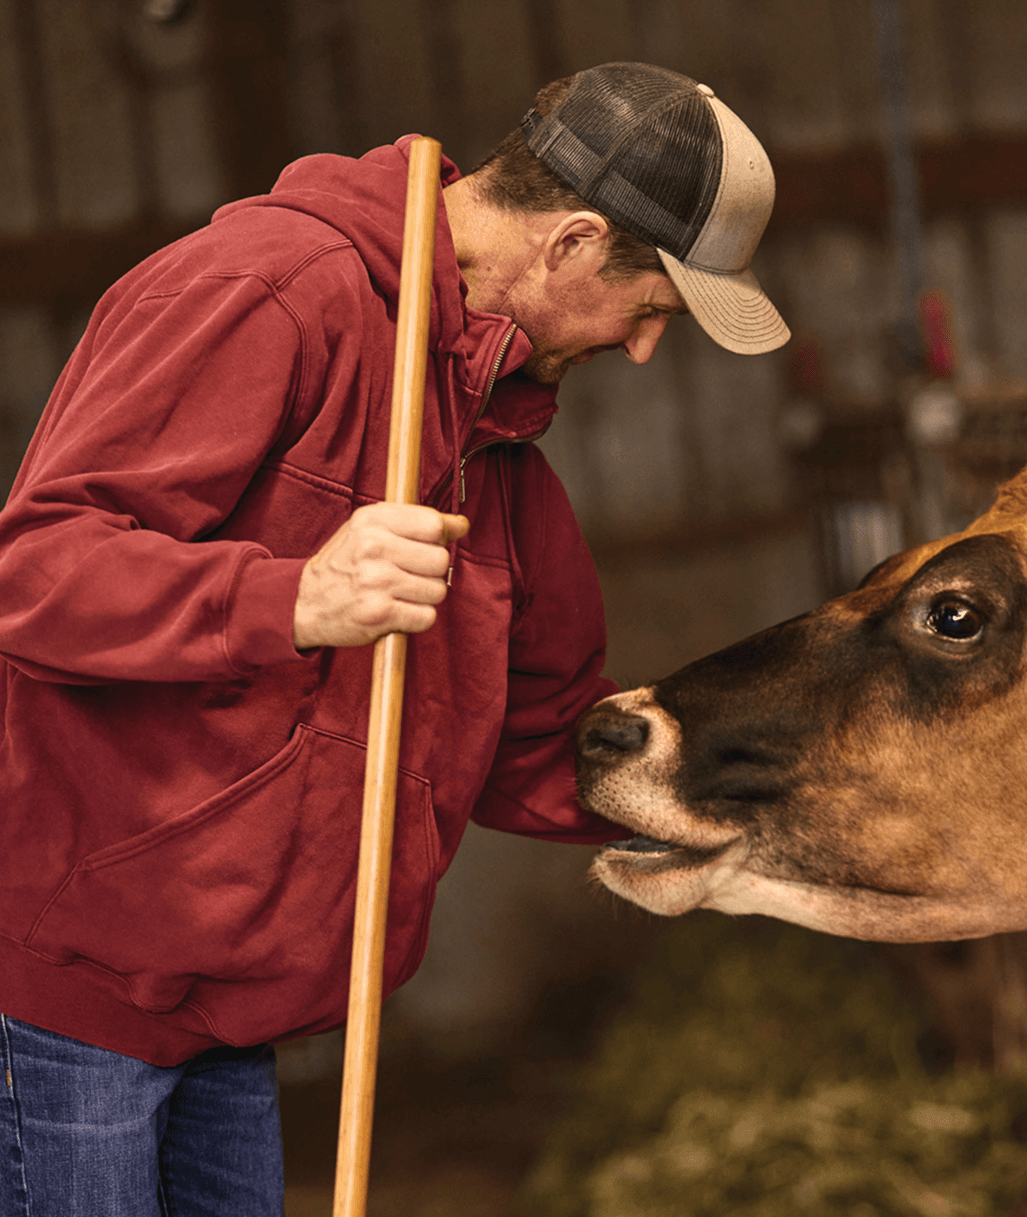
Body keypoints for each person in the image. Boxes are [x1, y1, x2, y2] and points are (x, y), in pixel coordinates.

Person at [0, 62, 789, 1215]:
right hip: (73, 996)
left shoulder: (495, 438)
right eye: (653, 309)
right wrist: (291, 601)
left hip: (234, 1009)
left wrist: (748, 813)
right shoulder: (268, 290)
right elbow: (36, 569)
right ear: (571, 243)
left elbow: (538, 739)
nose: (642, 351)